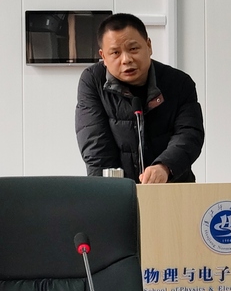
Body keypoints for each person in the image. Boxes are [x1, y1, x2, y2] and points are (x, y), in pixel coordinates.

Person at [75, 13, 204, 183]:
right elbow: (95, 143)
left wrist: (165, 166)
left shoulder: (179, 83)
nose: (126, 59)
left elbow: (189, 134)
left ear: (149, 46)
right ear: (103, 57)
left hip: (172, 186)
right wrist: (111, 190)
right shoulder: (93, 81)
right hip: (117, 189)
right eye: (115, 52)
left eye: (133, 49)